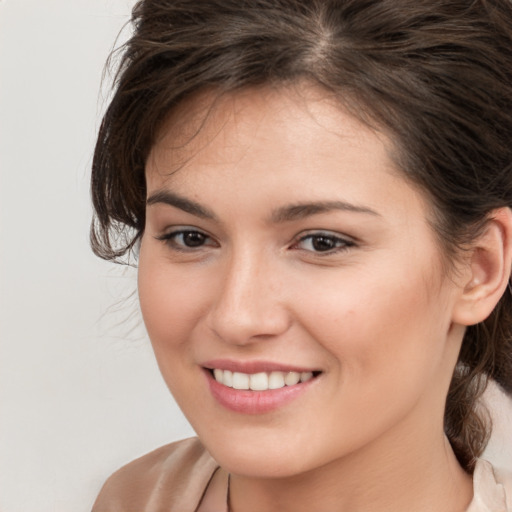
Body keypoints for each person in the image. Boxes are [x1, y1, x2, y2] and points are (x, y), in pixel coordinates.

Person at [90, 0, 512, 510]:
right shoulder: (134, 499)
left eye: (322, 242)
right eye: (190, 236)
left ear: (479, 269)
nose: (237, 317)